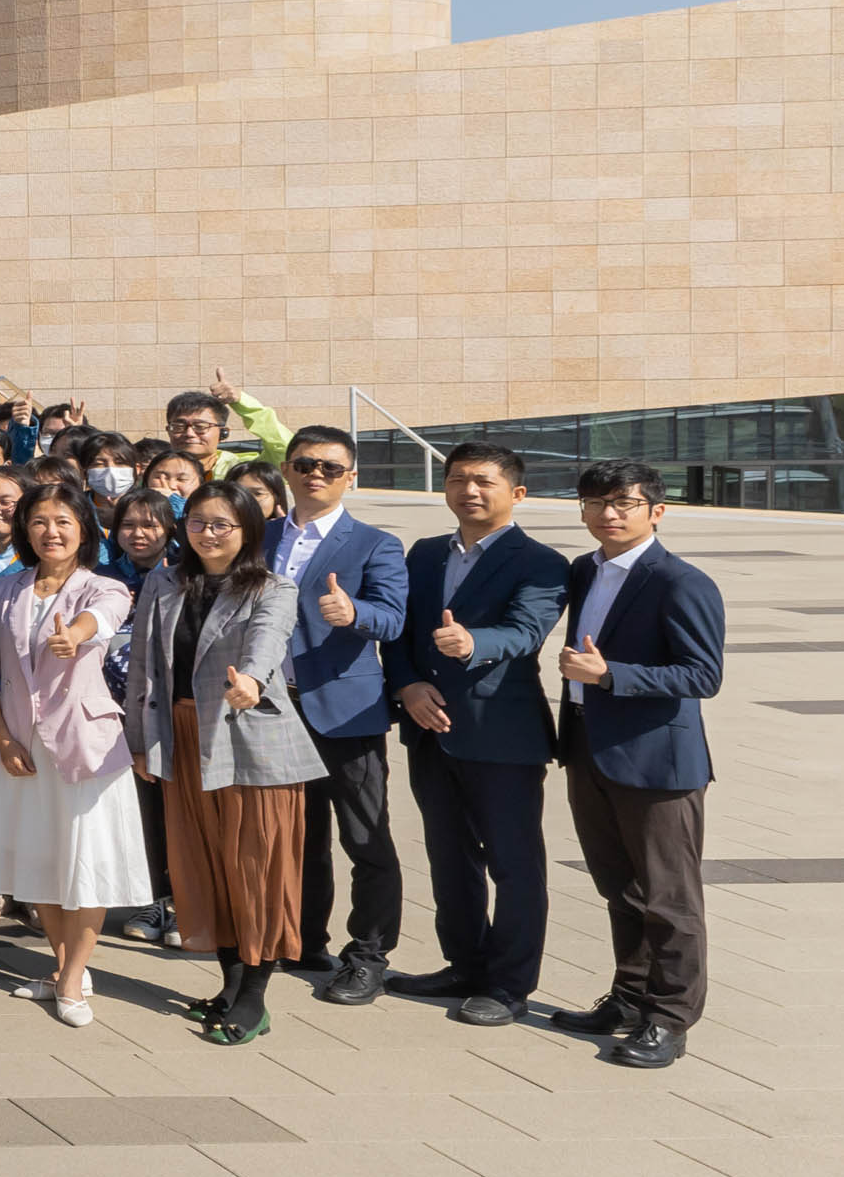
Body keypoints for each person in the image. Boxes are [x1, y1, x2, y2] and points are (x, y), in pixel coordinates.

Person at [546, 460, 728, 1072]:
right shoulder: (585, 570)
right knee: (618, 887)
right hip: (588, 748)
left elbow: (702, 675)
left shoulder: (681, 582)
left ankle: (670, 1018)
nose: (609, 514)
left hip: (656, 761)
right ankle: (628, 997)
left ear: (657, 511)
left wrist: (610, 675)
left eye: (624, 503)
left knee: (669, 897)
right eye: (596, 502)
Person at [381, 443, 569, 1028]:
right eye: (458, 479)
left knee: (514, 864)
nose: (469, 491)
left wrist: (473, 644)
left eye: (484, 481)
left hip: (502, 735)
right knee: (449, 856)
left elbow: (526, 630)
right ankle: (464, 965)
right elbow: (399, 632)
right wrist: (407, 685)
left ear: (517, 493)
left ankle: (509, 985)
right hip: (429, 728)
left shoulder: (542, 562)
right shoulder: (425, 553)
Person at [129, 482, 318, 1043]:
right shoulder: (163, 582)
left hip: (248, 740)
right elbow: (143, 667)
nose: (207, 534)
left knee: (256, 868)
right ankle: (231, 984)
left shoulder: (273, 587)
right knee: (207, 865)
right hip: (182, 738)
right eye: (197, 522)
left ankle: (255, 997)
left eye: (221, 525)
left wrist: (252, 681)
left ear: (247, 530)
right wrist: (139, 741)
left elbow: (268, 641)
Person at [0, 484, 141, 1027]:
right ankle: (64, 967)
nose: (51, 532)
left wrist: (76, 637)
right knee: (37, 858)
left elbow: (102, 620)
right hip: (19, 748)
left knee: (87, 864)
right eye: (39, 521)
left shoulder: (104, 587)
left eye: (63, 521)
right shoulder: (5, 588)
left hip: (84, 747)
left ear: (84, 528)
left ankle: (71, 980)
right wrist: (1, 737)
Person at [270, 426, 411, 1006]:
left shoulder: (375, 543)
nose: (316, 475)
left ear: (350, 477)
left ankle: (368, 957)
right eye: (305, 464)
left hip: (344, 712)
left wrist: (355, 613)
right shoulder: (261, 535)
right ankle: (304, 941)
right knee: (299, 838)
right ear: (287, 469)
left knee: (365, 839)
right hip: (274, 710)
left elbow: (394, 619)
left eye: (330, 467)